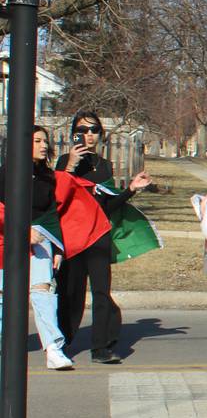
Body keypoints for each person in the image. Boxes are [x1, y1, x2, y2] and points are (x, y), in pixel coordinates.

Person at [55, 111, 151, 363]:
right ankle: (63, 344)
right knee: (71, 293)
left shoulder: (104, 165)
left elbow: (106, 206)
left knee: (101, 292)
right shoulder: (65, 160)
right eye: (83, 129)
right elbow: (57, 196)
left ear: (101, 134)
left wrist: (130, 190)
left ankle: (101, 348)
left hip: (98, 235)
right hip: (73, 236)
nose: (88, 135)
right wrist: (71, 165)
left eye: (94, 130)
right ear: (73, 132)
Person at [0, 127, 71, 370]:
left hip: (41, 240)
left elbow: (52, 213)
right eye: (38, 141)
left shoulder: (48, 176)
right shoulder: (6, 173)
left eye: (45, 141)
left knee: (43, 291)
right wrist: (21, 231)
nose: (44, 145)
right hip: (5, 242)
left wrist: (58, 247)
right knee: (3, 294)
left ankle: (53, 349)